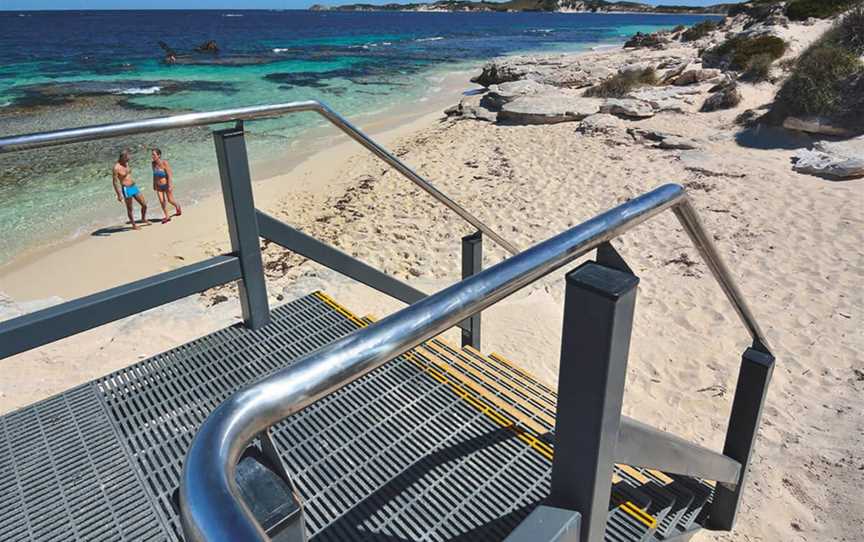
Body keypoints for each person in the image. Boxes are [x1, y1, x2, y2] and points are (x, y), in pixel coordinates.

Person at [112, 150, 147, 230]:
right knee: (130, 208)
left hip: (133, 187)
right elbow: (115, 182)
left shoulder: (126, 163)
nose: (128, 159)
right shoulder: (116, 168)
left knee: (144, 205)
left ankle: (143, 219)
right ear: (122, 157)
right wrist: (119, 195)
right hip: (126, 189)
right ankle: (134, 225)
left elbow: (128, 174)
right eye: (127, 158)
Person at [151, 148, 182, 223]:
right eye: (152, 155)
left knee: (170, 200)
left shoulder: (164, 163)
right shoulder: (153, 164)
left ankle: (177, 206)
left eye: (154, 154)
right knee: (162, 201)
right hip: (158, 186)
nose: (152, 156)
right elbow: (154, 175)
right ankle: (167, 216)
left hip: (166, 184)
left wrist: (170, 185)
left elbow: (169, 174)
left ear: (159, 155)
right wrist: (154, 184)